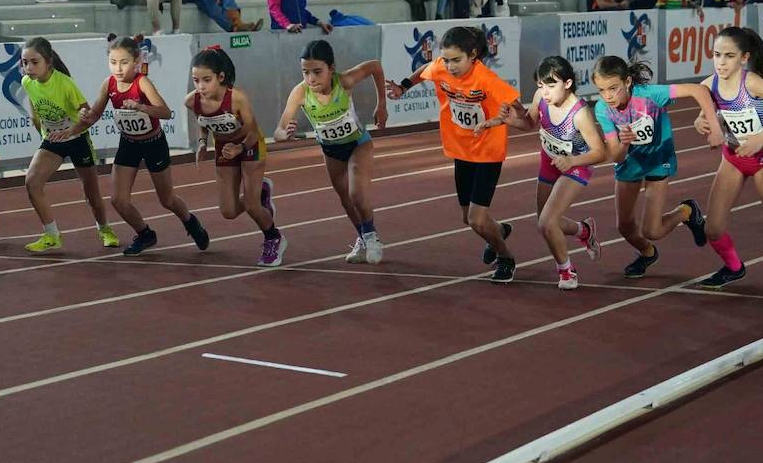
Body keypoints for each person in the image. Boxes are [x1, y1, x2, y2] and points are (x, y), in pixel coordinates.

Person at [386, 26, 521, 282]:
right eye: (446, 60)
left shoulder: (487, 80)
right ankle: (499, 231)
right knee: (467, 219)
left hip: (488, 151)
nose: (449, 66)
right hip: (462, 149)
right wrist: (403, 87)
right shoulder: (440, 67)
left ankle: (506, 257)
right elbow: (424, 71)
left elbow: (520, 114)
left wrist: (512, 119)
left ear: (473, 55)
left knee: (476, 218)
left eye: (456, 60)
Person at [63, 36, 211, 257]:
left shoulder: (142, 83)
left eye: (124, 62)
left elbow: (166, 112)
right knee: (118, 200)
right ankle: (145, 234)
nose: (118, 68)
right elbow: (93, 116)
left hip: (153, 144)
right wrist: (76, 125)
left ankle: (190, 222)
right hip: (129, 143)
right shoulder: (109, 84)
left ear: (136, 61)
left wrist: (141, 107)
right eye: (113, 62)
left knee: (167, 199)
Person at [689, 26, 763, 289]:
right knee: (712, 229)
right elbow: (704, 115)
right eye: (717, 55)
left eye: (729, 56)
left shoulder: (752, 82)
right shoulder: (708, 85)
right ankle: (734, 267)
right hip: (732, 159)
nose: (721, 62)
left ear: (743, 58)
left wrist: (760, 137)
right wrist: (700, 122)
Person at [591, 55, 722, 279]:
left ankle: (687, 212)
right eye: (601, 90)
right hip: (630, 163)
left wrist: (716, 128)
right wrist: (623, 142)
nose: (608, 96)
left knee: (652, 230)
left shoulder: (651, 95)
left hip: (658, 159)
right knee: (625, 227)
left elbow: (699, 90)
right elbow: (616, 156)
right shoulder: (603, 109)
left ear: (628, 82)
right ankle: (647, 252)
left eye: (613, 88)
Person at [487, 56, 607, 290]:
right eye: (541, 86)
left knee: (547, 222)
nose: (546, 91)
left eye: (552, 86)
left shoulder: (580, 114)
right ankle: (584, 230)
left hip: (577, 165)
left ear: (568, 83)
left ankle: (567, 272)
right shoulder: (541, 98)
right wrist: (512, 120)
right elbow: (531, 123)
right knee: (545, 223)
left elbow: (600, 152)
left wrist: (572, 160)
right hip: (549, 161)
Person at [275, 40, 387, 263]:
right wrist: (285, 134)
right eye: (305, 72)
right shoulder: (300, 93)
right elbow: (278, 130)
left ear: (331, 69)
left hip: (358, 144)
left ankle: (372, 236)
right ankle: (363, 239)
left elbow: (375, 66)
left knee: (356, 193)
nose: (311, 79)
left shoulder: (344, 81)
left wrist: (381, 103)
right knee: (345, 199)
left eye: (317, 72)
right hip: (331, 150)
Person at [187, 45, 284, 267]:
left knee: (251, 205)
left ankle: (273, 238)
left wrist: (240, 148)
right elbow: (202, 121)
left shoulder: (237, 98)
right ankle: (262, 192)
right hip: (223, 147)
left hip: (249, 144)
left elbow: (252, 129)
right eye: (195, 80)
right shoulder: (192, 101)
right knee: (228, 211)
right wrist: (202, 142)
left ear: (220, 77)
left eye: (206, 80)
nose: (200, 86)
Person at [20, 36, 118, 252]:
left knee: (91, 193)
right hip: (53, 140)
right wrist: (42, 131)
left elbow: (87, 117)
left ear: (48, 62)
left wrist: (74, 126)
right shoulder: (27, 82)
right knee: (32, 182)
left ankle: (105, 229)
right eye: (24, 62)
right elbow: (36, 109)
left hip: (77, 139)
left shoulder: (65, 84)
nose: (28, 67)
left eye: (34, 62)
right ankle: (51, 235)